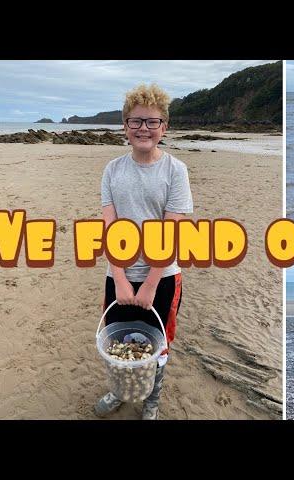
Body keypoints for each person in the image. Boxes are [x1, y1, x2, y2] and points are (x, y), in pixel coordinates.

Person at [94, 84, 193, 420]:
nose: (144, 129)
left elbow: (171, 231)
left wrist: (150, 284)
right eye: (136, 122)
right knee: (118, 340)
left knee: (157, 344)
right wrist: (120, 278)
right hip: (119, 272)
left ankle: (151, 400)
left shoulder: (175, 171)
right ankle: (118, 389)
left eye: (152, 122)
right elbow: (110, 228)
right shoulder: (112, 170)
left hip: (162, 276)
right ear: (125, 126)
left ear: (164, 127)